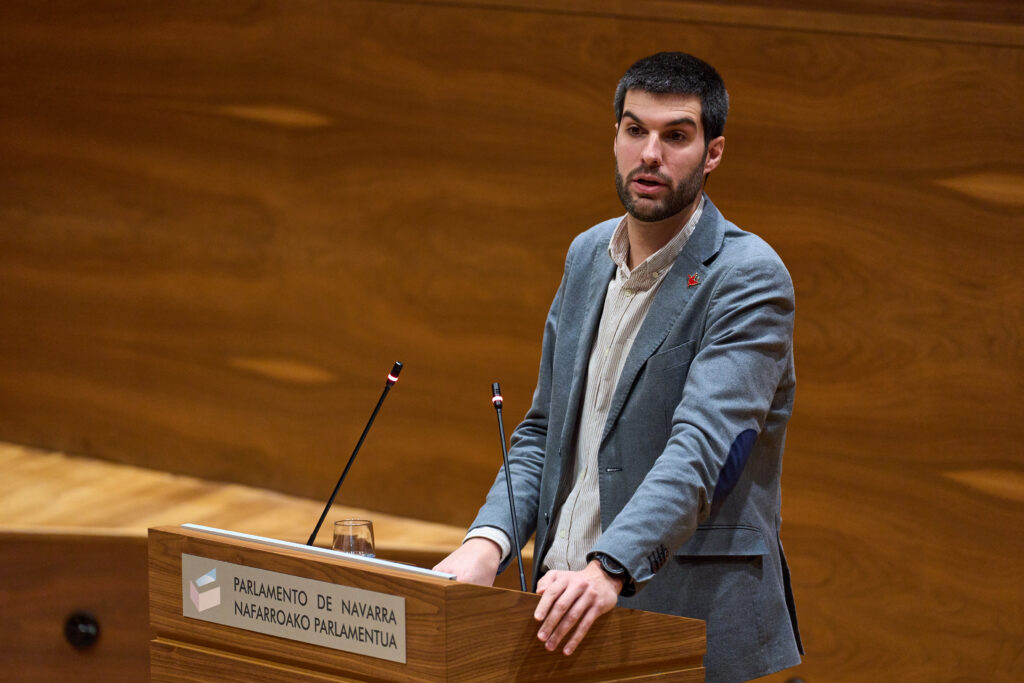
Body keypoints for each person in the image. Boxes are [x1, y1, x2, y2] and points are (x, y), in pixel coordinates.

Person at [434, 52, 803, 683]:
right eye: (635, 130)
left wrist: (609, 567)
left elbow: (705, 451)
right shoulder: (586, 257)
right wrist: (487, 541)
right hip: (562, 615)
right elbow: (543, 434)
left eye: (676, 135)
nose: (650, 154)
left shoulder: (748, 278)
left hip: (687, 627)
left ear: (712, 153)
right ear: (615, 138)